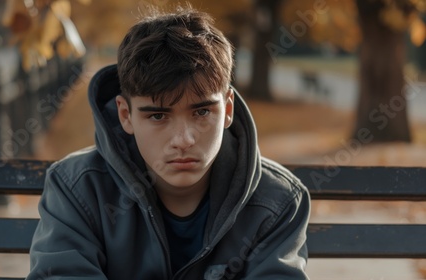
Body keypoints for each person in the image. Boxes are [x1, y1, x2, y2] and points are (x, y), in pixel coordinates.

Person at [28, 5, 310, 280]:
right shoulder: (78, 190)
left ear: (227, 110)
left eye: (201, 112)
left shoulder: (277, 200)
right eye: (159, 116)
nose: (183, 140)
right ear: (126, 115)